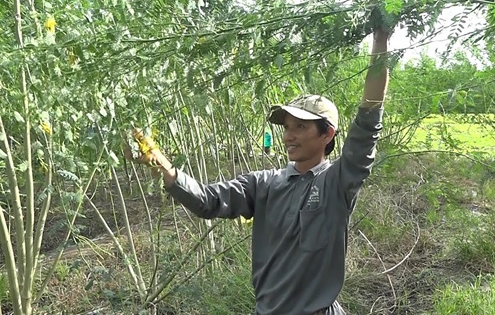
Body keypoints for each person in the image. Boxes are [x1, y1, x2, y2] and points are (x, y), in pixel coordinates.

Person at [127, 28, 390, 315]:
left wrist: (380, 40)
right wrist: (162, 164)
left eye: (300, 127)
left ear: (327, 134)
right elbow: (206, 201)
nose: (289, 136)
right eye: (287, 127)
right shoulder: (263, 183)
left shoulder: (336, 183)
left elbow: (367, 125)